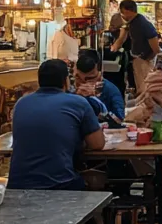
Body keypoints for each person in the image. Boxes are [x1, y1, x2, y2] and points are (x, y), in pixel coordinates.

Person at [7, 59, 105, 190]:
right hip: (59, 185)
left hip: (17, 185)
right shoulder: (78, 103)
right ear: (65, 81)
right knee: (98, 183)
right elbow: (98, 144)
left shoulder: (21, 103)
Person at [111, 0, 161, 98]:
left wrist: (148, 58)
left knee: (145, 87)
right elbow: (122, 38)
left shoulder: (142, 23)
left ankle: (147, 108)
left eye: (122, 12)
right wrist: (113, 48)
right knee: (140, 86)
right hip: (138, 59)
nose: (122, 15)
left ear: (127, 11)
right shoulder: (132, 23)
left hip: (143, 60)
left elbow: (154, 43)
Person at [74, 49, 125, 120]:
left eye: (90, 78)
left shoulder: (110, 90)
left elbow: (119, 117)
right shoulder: (71, 90)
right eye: (77, 77)